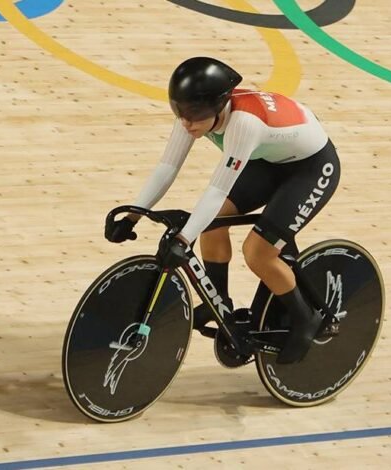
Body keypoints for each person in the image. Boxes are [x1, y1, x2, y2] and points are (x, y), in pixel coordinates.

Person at [104, 57, 340, 364]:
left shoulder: (243, 124)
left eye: (196, 115)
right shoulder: (194, 114)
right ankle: (220, 302)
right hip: (270, 161)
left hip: (311, 168)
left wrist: (184, 239)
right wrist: (132, 215)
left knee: (258, 252)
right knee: (212, 223)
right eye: (180, 112)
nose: (187, 122)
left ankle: (305, 319)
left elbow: (216, 191)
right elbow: (167, 167)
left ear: (219, 106)